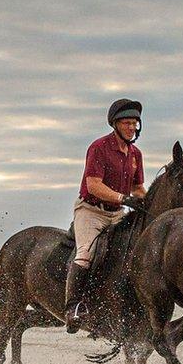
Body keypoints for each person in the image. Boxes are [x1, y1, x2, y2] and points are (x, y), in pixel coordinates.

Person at [65, 99, 146, 333]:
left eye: (135, 124)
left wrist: (148, 201)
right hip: (91, 211)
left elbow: (137, 188)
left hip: (117, 213)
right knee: (86, 253)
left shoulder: (135, 154)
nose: (132, 128)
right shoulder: (99, 147)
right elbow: (93, 186)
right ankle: (73, 309)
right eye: (128, 123)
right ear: (115, 124)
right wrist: (123, 198)